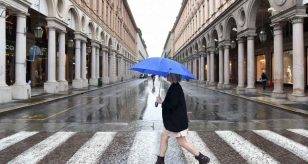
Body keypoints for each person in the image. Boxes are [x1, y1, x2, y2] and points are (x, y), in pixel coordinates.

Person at [155, 73, 210, 164]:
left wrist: (161, 102)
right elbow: (172, 103)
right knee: (164, 136)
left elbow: (173, 105)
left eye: (168, 75)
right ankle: (160, 160)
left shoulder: (175, 88)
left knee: (182, 142)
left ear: (172, 76)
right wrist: (163, 102)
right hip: (174, 121)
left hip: (176, 122)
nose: (166, 76)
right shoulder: (174, 86)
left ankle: (202, 158)